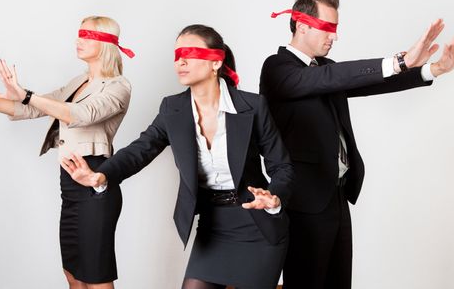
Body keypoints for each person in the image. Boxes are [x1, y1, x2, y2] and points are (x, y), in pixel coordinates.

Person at [259, 0, 454, 289]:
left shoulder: (325, 68)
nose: (334, 37)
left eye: (336, 28)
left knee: (339, 282)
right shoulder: (277, 68)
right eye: (327, 28)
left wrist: (432, 69)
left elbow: (363, 82)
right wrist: (399, 60)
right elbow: (332, 79)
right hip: (305, 201)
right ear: (300, 25)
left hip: (336, 194)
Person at [61, 24, 296, 289]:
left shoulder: (252, 106)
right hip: (213, 227)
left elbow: (282, 167)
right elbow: (142, 149)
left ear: (215, 62)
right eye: (176, 55)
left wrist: (273, 197)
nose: (180, 61)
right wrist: (101, 174)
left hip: (259, 224)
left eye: (190, 53)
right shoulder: (173, 108)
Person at [0, 16, 135, 289]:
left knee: (96, 276)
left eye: (86, 35)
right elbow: (32, 108)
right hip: (70, 186)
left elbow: (81, 114)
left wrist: (26, 94)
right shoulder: (79, 81)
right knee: (73, 274)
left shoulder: (119, 86)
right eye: (79, 34)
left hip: (95, 184)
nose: (78, 40)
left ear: (104, 44)